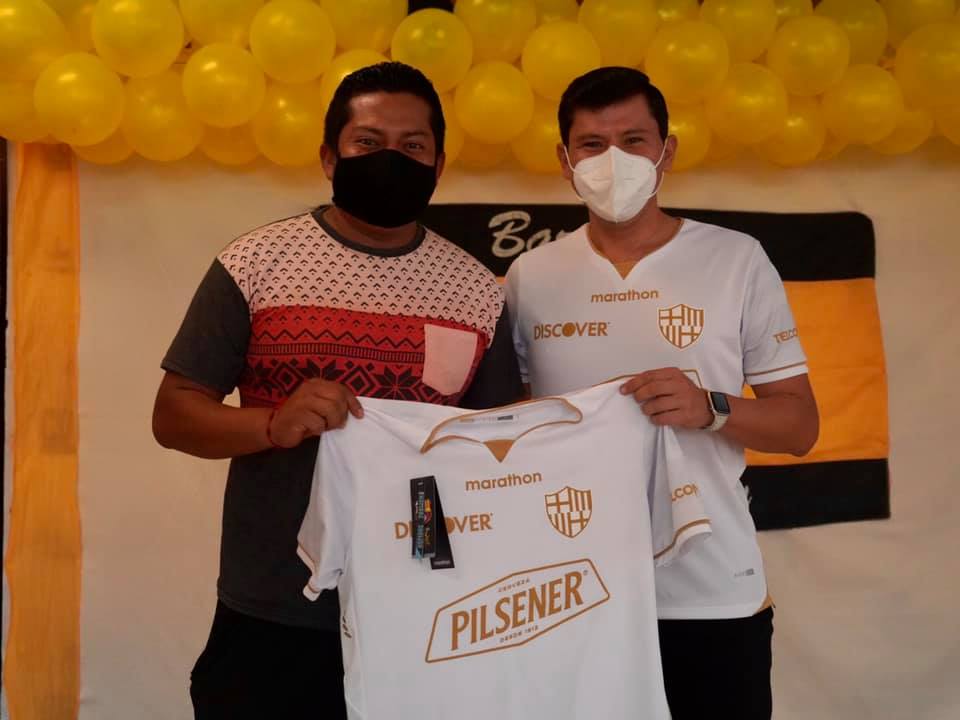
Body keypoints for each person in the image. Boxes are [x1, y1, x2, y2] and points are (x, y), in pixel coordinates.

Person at [152, 61, 523, 720]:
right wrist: (271, 425)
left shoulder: (476, 290)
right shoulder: (255, 264)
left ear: (438, 166)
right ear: (330, 157)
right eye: (368, 142)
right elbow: (173, 415)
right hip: (272, 610)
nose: (391, 160)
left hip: (424, 610)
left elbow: (498, 448)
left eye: (413, 146)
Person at [504, 67, 819, 720]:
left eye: (633, 140)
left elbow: (800, 427)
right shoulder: (530, 276)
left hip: (711, 593)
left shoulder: (736, 259)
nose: (612, 160)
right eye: (592, 145)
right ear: (565, 161)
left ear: (666, 151)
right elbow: (513, 431)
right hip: (574, 596)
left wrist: (712, 409)